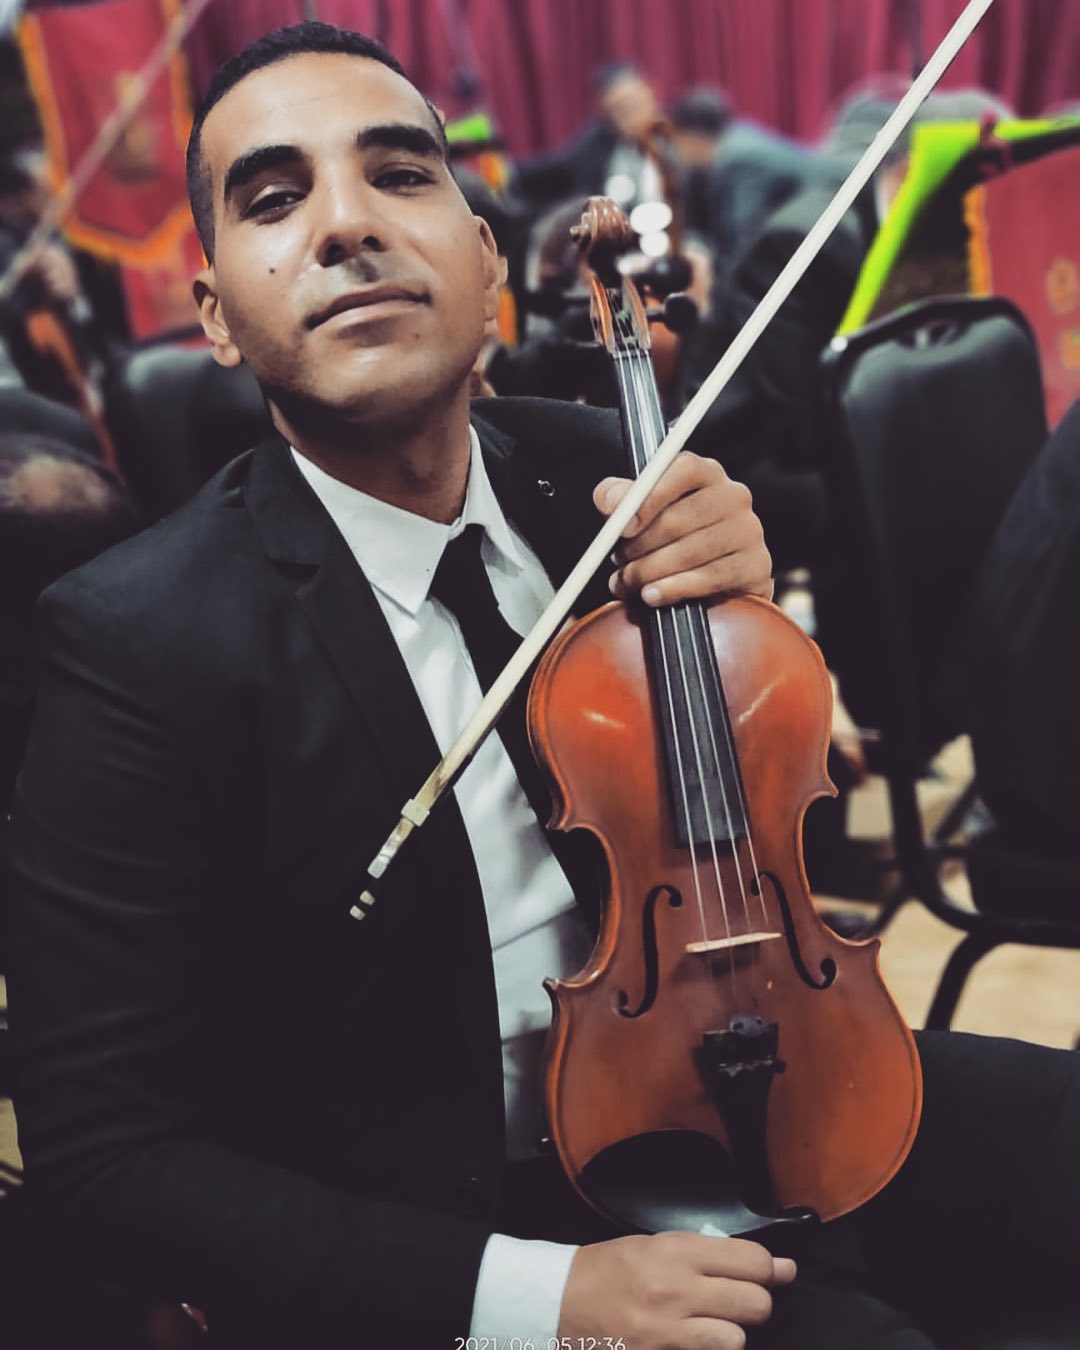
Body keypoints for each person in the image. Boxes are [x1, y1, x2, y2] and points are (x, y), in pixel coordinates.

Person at [4, 24, 1080, 1350]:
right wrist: (538, 1297)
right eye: (274, 199)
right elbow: (101, 1153)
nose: (346, 224)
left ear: (487, 261)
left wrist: (743, 622)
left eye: (400, 174)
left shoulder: (603, 479)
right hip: (478, 1209)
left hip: (771, 1059)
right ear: (216, 312)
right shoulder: (134, 640)